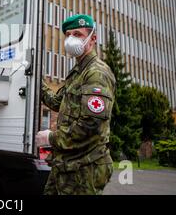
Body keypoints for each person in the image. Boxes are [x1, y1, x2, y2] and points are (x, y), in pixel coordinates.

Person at [36, 14, 116, 195]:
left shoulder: (96, 73)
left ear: (92, 39)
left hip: (85, 168)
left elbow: (90, 124)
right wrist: (35, 80)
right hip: (67, 164)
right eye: (68, 34)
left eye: (78, 34)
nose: (71, 39)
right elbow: (57, 103)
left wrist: (51, 138)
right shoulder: (78, 72)